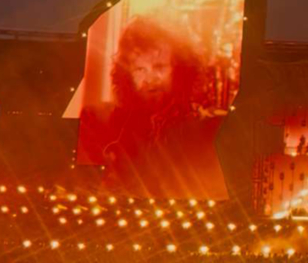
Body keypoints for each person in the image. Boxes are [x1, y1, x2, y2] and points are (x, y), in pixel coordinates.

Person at [78, 16, 228, 199]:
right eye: (140, 69)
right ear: (127, 75)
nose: (149, 79)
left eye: (159, 67)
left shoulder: (203, 129)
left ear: (180, 69)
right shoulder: (110, 123)